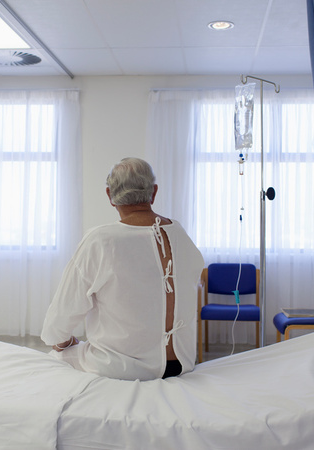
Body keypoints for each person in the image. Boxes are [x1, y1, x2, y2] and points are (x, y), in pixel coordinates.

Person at [41, 157, 204, 381]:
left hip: (120, 369)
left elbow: (59, 319)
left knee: (54, 357)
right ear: (154, 192)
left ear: (109, 195)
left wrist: (64, 342)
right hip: (181, 364)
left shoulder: (101, 240)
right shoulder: (180, 234)